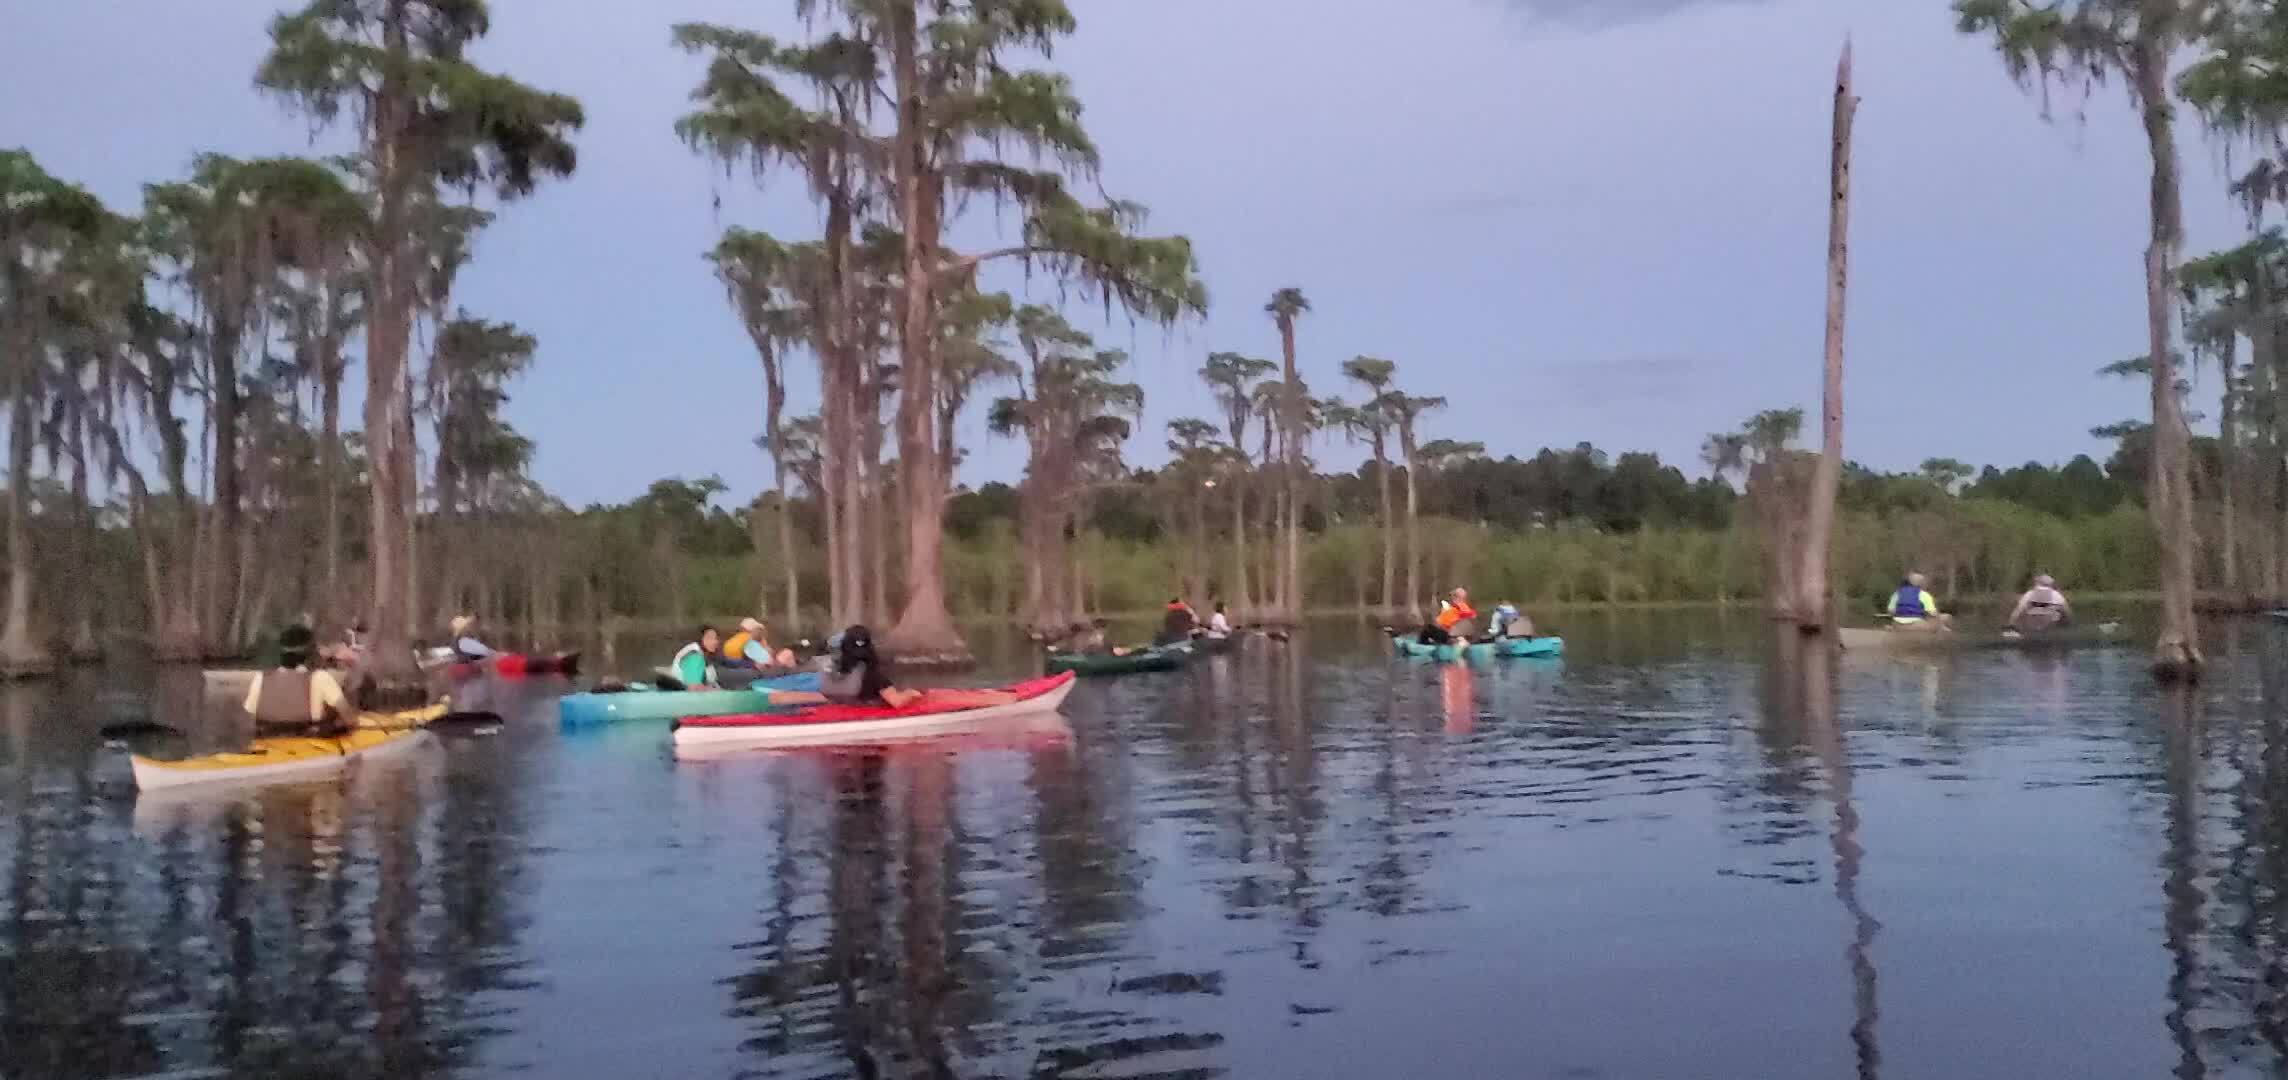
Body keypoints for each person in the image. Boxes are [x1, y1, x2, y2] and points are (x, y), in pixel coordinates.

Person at [242, 625, 349, 736]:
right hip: (309, 745)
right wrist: (333, 726)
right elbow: (349, 720)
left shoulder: (261, 678)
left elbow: (247, 719)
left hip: (268, 745)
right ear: (310, 653)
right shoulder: (320, 677)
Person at [721, 617, 797, 669]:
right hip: (762, 669)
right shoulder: (750, 641)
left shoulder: (731, 641)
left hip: (745, 667)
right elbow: (767, 658)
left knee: (786, 655)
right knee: (787, 653)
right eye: (758, 629)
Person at [1885, 572, 1951, 631]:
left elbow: (1890, 610)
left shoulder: (1898, 593)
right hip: (1917, 625)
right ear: (1922, 583)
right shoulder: (1923, 595)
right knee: (1945, 617)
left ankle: (1893, 628)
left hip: (1897, 624)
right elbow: (1933, 613)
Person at [2008, 574, 2072, 632]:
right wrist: (2068, 622)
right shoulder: (2056, 594)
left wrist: (2011, 623)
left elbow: (2018, 609)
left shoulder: (2030, 593)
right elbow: (2066, 610)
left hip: (2031, 624)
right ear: (2051, 584)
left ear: (2038, 583)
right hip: (2049, 624)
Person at [670, 625, 722, 689]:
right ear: (699, 639)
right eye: (709, 638)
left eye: (716, 638)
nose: (715, 642)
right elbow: (693, 688)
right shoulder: (694, 656)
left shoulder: (704, 654)